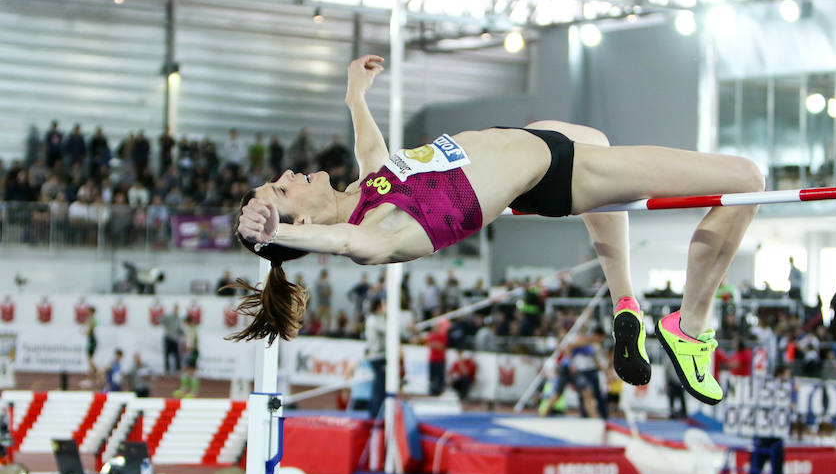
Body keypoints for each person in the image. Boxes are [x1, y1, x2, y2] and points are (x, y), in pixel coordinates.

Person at [230, 54, 765, 406]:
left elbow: (372, 150)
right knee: (747, 180)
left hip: (533, 141)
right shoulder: (374, 234)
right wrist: (274, 236)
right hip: (557, 174)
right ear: (298, 222)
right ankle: (690, 329)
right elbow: (343, 242)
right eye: (279, 190)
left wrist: (355, 94)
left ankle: (626, 303)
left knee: (596, 136)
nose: (285, 177)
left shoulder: (366, 194)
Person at [743, 364, 792, 474]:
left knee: (777, 469)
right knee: (756, 466)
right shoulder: (764, 389)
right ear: (779, 374)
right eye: (786, 375)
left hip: (776, 436)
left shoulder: (786, 391)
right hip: (763, 435)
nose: (788, 378)